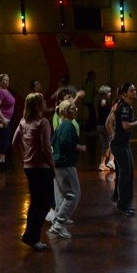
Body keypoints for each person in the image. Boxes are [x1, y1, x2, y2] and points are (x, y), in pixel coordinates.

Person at [12, 92, 55, 251]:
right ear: (37, 105)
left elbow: (15, 142)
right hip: (42, 167)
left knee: (36, 202)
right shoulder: (43, 122)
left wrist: (24, 158)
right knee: (45, 202)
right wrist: (52, 165)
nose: (45, 102)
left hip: (29, 167)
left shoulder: (23, 122)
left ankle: (29, 235)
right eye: (42, 101)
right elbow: (46, 147)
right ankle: (32, 236)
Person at [49, 99, 86, 239]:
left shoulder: (60, 125)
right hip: (65, 164)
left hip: (57, 163)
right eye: (73, 108)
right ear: (65, 111)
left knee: (60, 194)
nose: (75, 110)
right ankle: (59, 223)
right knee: (73, 194)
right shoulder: (68, 125)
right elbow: (65, 142)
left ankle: (59, 217)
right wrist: (78, 147)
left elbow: (53, 142)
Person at [107, 83, 137, 216]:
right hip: (119, 145)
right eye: (131, 90)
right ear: (124, 94)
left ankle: (126, 203)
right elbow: (125, 126)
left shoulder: (127, 106)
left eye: (134, 90)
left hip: (124, 144)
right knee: (125, 174)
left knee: (129, 173)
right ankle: (122, 204)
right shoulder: (123, 107)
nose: (134, 92)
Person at [0, 74, 15, 168]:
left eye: (8, 79)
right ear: (0, 81)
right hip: (1, 119)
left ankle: (2, 161)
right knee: (4, 140)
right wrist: (2, 119)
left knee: (5, 140)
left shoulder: (6, 91)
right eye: (4, 80)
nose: (7, 81)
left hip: (7, 119)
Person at [95, 85, 115, 171]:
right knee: (113, 142)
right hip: (105, 125)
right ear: (105, 93)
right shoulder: (104, 100)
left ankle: (101, 164)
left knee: (105, 146)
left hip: (99, 126)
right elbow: (103, 103)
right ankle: (111, 161)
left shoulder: (100, 101)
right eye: (109, 92)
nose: (110, 93)